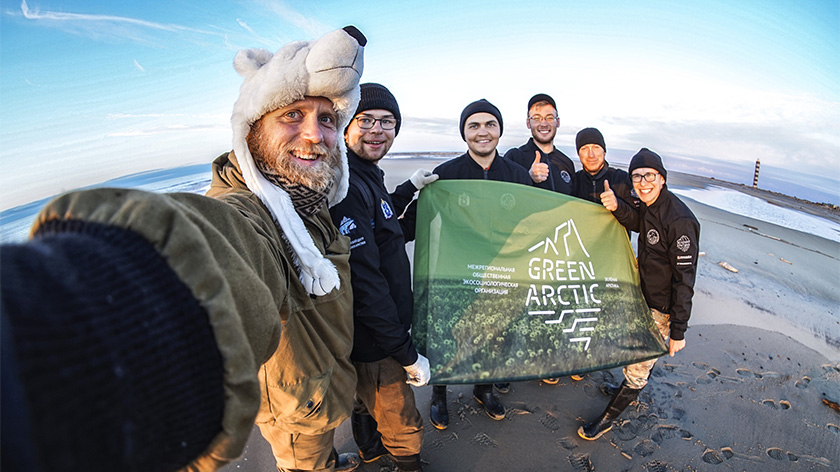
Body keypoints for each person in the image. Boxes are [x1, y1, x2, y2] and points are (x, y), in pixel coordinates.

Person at [1, 26, 368, 472]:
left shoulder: (310, 202)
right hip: (299, 407)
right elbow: (222, 246)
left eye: (326, 118)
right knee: (307, 465)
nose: (315, 134)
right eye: (292, 115)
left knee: (322, 452)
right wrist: (84, 309)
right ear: (251, 133)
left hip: (325, 383)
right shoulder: (249, 210)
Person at [329, 83, 437, 472]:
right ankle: (405, 463)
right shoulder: (344, 186)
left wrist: (410, 188)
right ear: (346, 127)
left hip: (373, 335)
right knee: (400, 419)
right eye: (366, 120)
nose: (377, 129)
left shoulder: (365, 173)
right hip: (377, 340)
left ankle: (370, 450)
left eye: (387, 122)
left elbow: (385, 227)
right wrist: (405, 354)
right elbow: (365, 281)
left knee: (363, 401)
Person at [578, 148, 700, 441]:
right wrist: (615, 206)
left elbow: (685, 281)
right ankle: (622, 389)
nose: (642, 182)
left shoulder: (680, 220)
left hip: (663, 309)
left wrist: (678, 332)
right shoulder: (648, 204)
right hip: (641, 297)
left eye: (649, 175)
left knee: (638, 368)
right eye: (636, 176)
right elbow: (637, 222)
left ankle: (607, 419)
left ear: (662, 179)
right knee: (629, 346)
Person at [427, 98, 532, 429]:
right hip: (455, 270)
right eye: (474, 125)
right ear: (464, 133)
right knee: (446, 333)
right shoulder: (445, 174)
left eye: (490, 124)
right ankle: (439, 394)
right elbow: (421, 220)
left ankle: (483, 389)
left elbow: (531, 224)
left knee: (494, 335)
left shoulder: (517, 175)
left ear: (500, 131)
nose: (482, 132)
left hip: (500, 272)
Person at [504, 93, 575, 195]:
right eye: (537, 118)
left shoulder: (567, 163)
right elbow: (504, 197)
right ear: (528, 123)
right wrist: (528, 177)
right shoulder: (514, 157)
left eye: (550, 117)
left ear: (558, 122)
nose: (544, 124)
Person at [571, 127, 638, 225]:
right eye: (584, 148)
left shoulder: (622, 179)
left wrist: (617, 206)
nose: (591, 155)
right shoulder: (573, 182)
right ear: (578, 154)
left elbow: (637, 223)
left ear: (604, 152)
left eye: (596, 147)